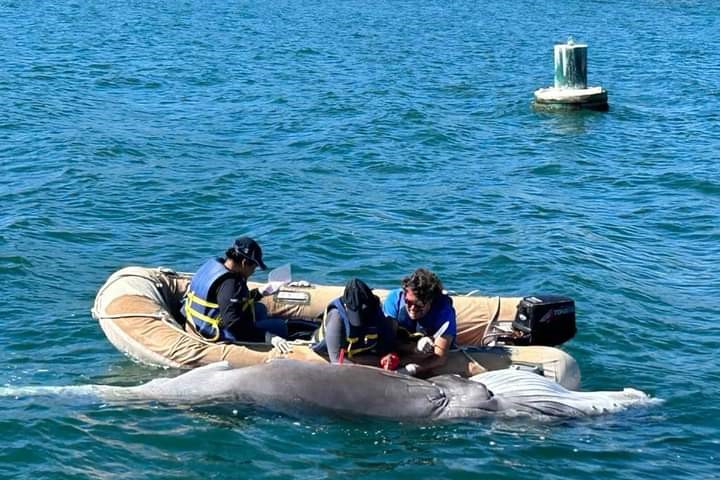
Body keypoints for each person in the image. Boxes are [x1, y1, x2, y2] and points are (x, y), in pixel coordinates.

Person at [183, 237, 291, 351]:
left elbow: (226, 300)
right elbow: (234, 325)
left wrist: (260, 292)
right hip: (217, 332)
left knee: (259, 309)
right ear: (244, 263)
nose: (253, 272)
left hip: (197, 321)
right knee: (280, 326)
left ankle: (260, 327)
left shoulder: (215, 265)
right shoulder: (231, 284)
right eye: (254, 267)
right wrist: (269, 337)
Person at [382, 268, 457, 376]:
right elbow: (387, 343)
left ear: (430, 301)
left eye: (419, 305)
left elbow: (440, 357)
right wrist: (415, 348)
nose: (412, 308)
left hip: (428, 354)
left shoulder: (443, 310)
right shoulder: (394, 301)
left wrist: (413, 369)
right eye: (408, 302)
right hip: (404, 348)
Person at [312, 278, 397, 364]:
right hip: (330, 350)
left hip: (361, 350)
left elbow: (387, 341)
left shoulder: (375, 310)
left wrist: (388, 356)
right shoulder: (336, 317)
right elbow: (336, 359)